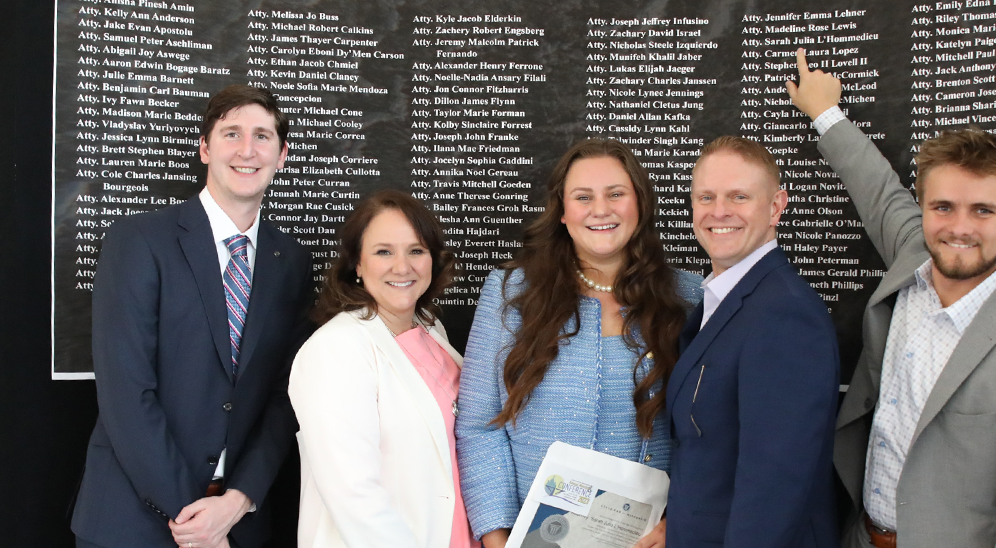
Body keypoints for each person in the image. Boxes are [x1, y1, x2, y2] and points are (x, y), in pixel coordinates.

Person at [785, 48, 996, 548]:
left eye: (983, 211)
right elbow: (878, 188)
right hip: (859, 536)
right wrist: (825, 112)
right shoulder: (913, 253)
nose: (959, 228)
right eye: (942, 206)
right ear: (924, 206)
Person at [71, 85, 314, 548]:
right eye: (231, 134)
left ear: (282, 155)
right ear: (205, 148)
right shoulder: (140, 240)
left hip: (235, 521)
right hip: (133, 522)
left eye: (263, 137)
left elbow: (287, 395)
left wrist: (237, 501)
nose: (247, 150)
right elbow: (126, 393)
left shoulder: (293, 263)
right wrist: (196, 522)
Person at [457, 139, 702, 548]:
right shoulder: (510, 293)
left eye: (616, 194)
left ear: (639, 204)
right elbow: (480, 425)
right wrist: (498, 538)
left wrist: (678, 521)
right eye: (583, 197)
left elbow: (709, 433)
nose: (600, 210)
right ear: (562, 212)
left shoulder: (690, 297)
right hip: (534, 538)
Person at [665, 136, 840, 548]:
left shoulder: (785, 314)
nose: (718, 212)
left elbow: (774, 485)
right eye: (705, 197)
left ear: (776, 206)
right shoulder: (721, 298)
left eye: (739, 196)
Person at [287, 190, 474, 548]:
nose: (402, 267)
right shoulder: (336, 349)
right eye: (383, 251)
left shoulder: (429, 328)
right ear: (357, 263)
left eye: (416, 250)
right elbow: (354, 495)